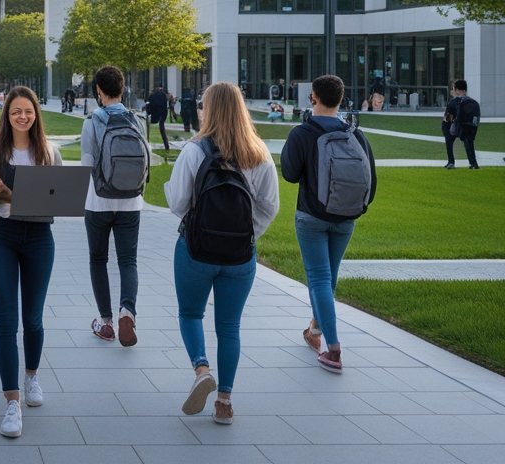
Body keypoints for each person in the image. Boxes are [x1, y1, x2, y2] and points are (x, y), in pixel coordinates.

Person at [165, 81, 279, 426]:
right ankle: (225, 401)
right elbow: (269, 207)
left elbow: (177, 203)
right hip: (240, 255)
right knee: (229, 325)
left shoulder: (194, 150)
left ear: (209, 110)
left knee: (190, 314)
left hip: (196, 250)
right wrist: (247, 235)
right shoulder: (258, 152)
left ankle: (201, 370)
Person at [0, 85, 63, 438]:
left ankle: (32, 377)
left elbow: (56, 201)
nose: (21, 116)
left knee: (34, 319)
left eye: (27, 111)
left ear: (35, 115)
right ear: (6, 116)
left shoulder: (48, 152)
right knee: (6, 321)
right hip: (1, 236)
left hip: (39, 237)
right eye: (15, 112)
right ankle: (11, 401)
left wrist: (14, 193)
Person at [283, 74, 378, 374]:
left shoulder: (303, 133)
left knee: (320, 279)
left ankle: (333, 349)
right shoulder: (356, 135)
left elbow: (288, 173)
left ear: (313, 97)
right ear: (340, 98)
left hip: (311, 216)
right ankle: (314, 329)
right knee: (329, 278)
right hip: (346, 217)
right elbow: (371, 182)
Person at [81, 66, 145, 347]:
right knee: (128, 261)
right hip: (131, 202)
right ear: (122, 88)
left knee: (99, 259)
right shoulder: (137, 120)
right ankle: (127, 311)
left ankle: (106, 322)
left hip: (98, 201)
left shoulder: (92, 121)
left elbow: (86, 166)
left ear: (98, 90)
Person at [443, 80, 481, 170]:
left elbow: (447, 117)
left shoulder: (453, 102)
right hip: (470, 126)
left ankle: (451, 162)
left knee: (448, 136)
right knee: (469, 142)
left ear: (456, 89)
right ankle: (473, 163)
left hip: (458, 126)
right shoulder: (473, 102)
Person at [146, 84, 170, 152]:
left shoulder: (152, 95)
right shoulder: (163, 95)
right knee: (162, 131)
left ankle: (147, 144)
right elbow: (165, 107)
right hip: (161, 115)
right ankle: (166, 146)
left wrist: (148, 112)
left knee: (148, 131)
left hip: (154, 115)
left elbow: (149, 105)